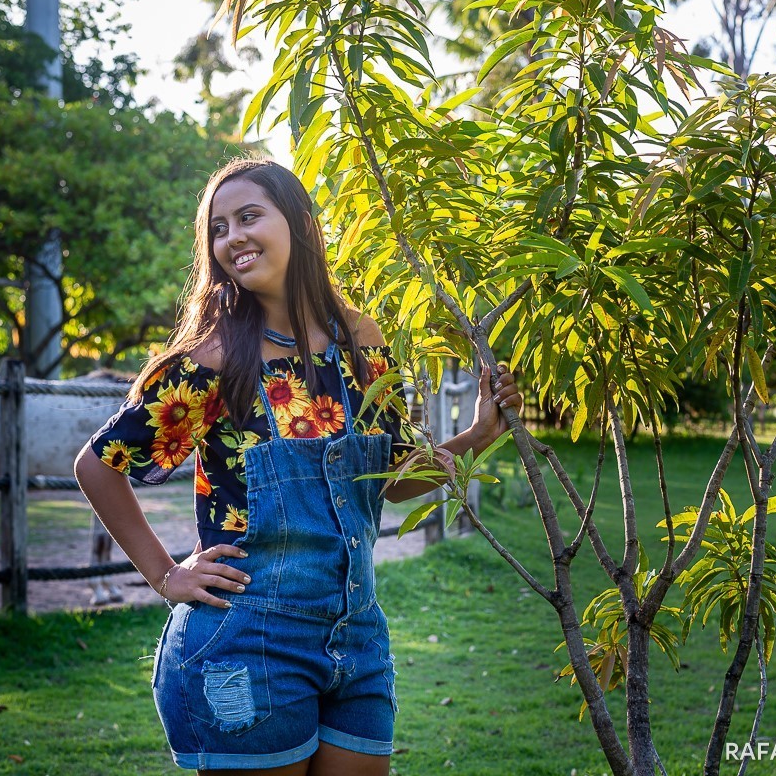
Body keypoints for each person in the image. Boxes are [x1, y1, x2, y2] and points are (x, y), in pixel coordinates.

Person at [74, 157, 523, 776]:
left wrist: (477, 435)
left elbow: (393, 481)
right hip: (246, 640)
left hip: (357, 637)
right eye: (218, 228)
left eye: (248, 217)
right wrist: (165, 575)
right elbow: (98, 466)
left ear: (302, 224)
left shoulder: (362, 342)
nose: (232, 238)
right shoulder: (214, 360)